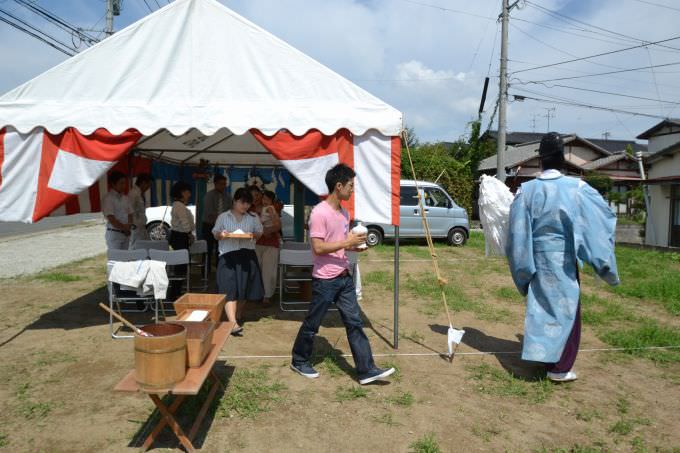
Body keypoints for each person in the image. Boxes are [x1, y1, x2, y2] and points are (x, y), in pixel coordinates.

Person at [506, 132, 620, 382]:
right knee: (566, 311)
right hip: (564, 260)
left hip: (536, 258)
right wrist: (600, 260)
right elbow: (600, 220)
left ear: (542, 160)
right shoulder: (577, 188)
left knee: (541, 308)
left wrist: (522, 269)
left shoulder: (527, 191)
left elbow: (516, 235)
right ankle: (559, 368)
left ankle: (545, 359)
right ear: (563, 158)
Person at [290, 163, 395, 385]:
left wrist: (353, 247)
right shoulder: (319, 213)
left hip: (343, 276)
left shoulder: (344, 213)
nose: (352, 190)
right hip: (324, 279)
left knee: (354, 321)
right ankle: (299, 360)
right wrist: (346, 242)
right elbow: (318, 248)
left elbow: (337, 244)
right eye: (350, 186)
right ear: (338, 186)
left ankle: (366, 370)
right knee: (312, 323)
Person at [213, 187, 264, 335]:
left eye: (248, 203)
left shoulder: (253, 217)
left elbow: (259, 233)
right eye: (242, 202)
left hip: (247, 255)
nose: (245, 206)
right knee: (229, 288)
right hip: (228, 256)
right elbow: (216, 233)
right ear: (235, 201)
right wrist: (221, 234)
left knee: (244, 289)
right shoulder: (224, 217)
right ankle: (232, 323)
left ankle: (237, 314)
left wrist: (253, 235)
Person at [168, 181, 195, 299]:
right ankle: (174, 293)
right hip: (179, 236)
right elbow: (184, 222)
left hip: (180, 236)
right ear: (182, 193)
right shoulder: (178, 205)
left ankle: (176, 291)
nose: (189, 194)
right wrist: (190, 234)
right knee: (180, 265)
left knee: (181, 265)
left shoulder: (179, 205)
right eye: (187, 191)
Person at [255, 190, 282, 306]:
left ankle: (267, 295)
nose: (264, 200)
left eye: (266, 199)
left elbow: (277, 224)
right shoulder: (258, 209)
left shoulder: (270, 208)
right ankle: (259, 293)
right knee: (259, 269)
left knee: (268, 270)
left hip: (270, 240)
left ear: (271, 200)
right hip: (258, 241)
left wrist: (267, 230)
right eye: (263, 198)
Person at [202, 174, 232, 273]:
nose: (223, 186)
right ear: (215, 184)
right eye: (221, 184)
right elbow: (209, 213)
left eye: (224, 184)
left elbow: (230, 211)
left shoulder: (228, 197)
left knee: (221, 250)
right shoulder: (209, 196)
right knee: (207, 249)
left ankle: (221, 271)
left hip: (223, 227)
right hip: (209, 226)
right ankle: (206, 271)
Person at [102, 171, 133, 250]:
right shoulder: (108, 198)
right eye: (121, 183)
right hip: (115, 234)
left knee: (125, 259)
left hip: (126, 234)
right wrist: (124, 228)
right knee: (116, 261)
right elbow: (111, 219)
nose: (124, 186)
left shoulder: (126, 198)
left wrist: (129, 226)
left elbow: (130, 214)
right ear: (113, 184)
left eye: (124, 183)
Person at [128, 173, 152, 249]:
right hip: (136, 227)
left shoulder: (140, 193)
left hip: (142, 226)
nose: (148, 188)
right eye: (148, 185)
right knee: (136, 249)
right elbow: (129, 211)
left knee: (145, 248)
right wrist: (133, 225)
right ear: (143, 183)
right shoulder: (133, 193)